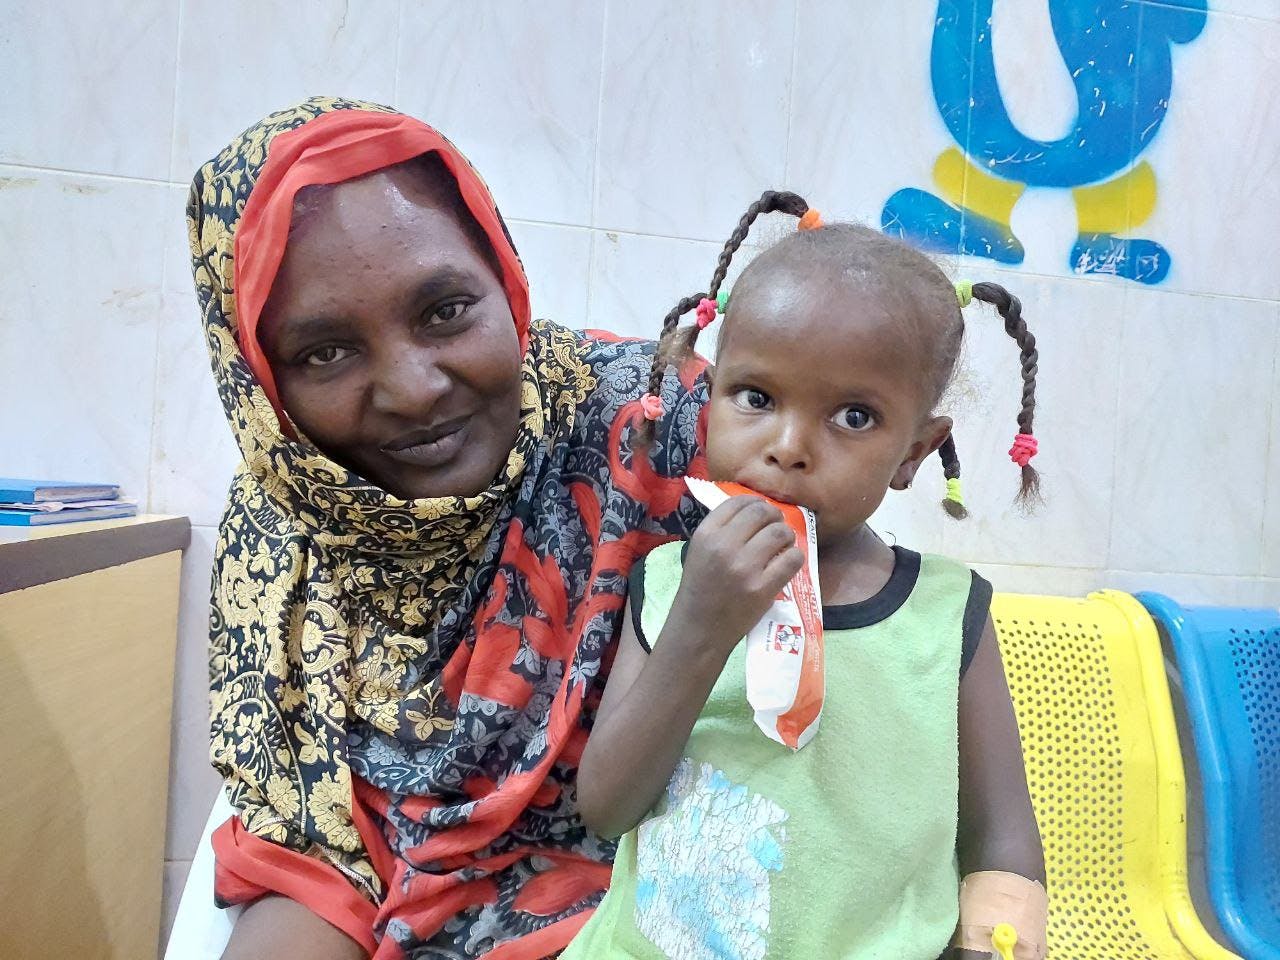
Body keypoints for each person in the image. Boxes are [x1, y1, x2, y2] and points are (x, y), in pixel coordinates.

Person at [188, 96, 708, 959]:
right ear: (260, 383)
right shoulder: (284, 536)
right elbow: (315, 863)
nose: (414, 387)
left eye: (444, 312)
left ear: (502, 280)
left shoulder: (655, 426)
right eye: (324, 352)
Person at [567, 194, 1048, 959]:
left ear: (915, 454)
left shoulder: (946, 614)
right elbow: (607, 807)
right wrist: (700, 627)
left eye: (853, 416)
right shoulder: (666, 581)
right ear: (710, 397)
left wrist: (1001, 933)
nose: (788, 446)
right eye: (755, 398)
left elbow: (1002, 830)